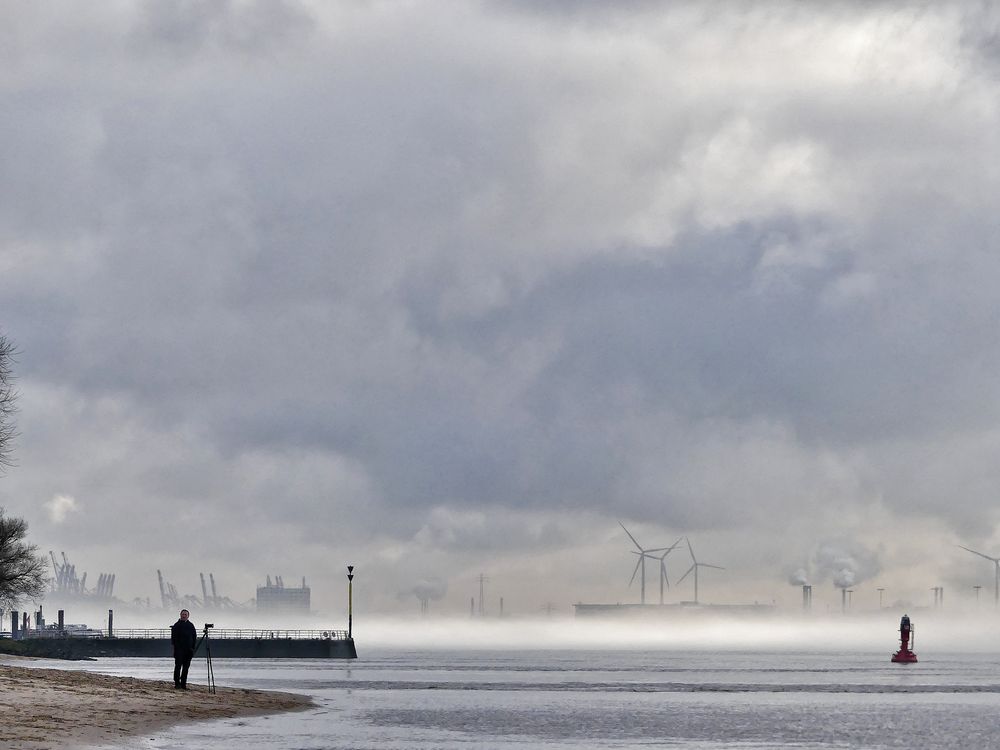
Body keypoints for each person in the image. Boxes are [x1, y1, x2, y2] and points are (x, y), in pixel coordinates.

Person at [170, 609, 197, 689]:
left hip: (188, 650)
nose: (184, 616)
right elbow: (173, 639)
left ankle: (183, 684)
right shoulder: (176, 625)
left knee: (186, 668)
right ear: (180, 615)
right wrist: (176, 648)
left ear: (188, 616)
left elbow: (194, 637)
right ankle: (177, 683)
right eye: (183, 614)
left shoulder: (191, 625)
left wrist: (192, 648)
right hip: (179, 650)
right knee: (178, 667)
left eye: (185, 614)